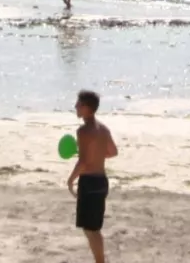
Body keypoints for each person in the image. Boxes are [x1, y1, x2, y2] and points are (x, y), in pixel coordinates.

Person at [66, 89, 117, 263]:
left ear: (87, 108)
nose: (76, 107)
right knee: (93, 228)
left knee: (91, 229)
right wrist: (97, 155)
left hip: (89, 182)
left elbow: (83, 162)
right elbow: (112, 152)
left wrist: (70, 180)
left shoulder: (83, 131)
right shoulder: (103, 129)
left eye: (79, 104)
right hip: (102, 181)